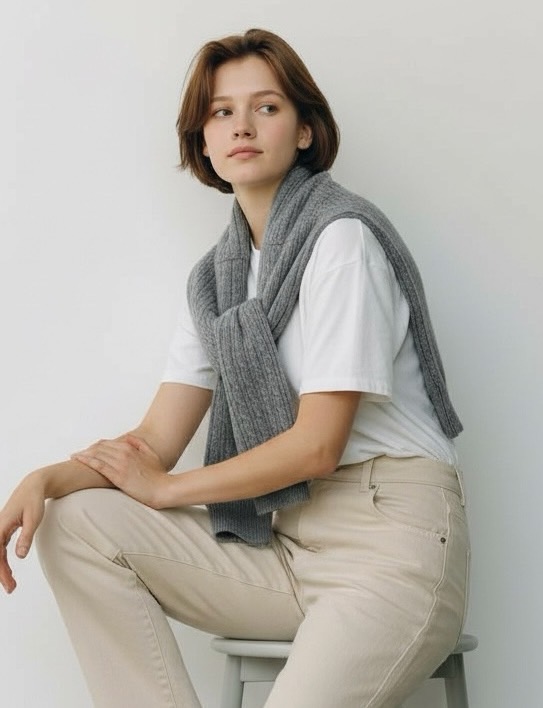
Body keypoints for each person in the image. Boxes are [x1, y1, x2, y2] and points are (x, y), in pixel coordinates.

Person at [0, 28, 470, 708]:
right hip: (282, 544)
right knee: (75, 524)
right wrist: (45, 480)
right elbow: (153, 443)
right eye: (221, 112)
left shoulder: (342, 239)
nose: (241, 126)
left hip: (390, 546)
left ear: (305, 131)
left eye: (266, 107)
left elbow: (317, 446)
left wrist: (168, 491)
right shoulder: (216, 282)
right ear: (203, 141)